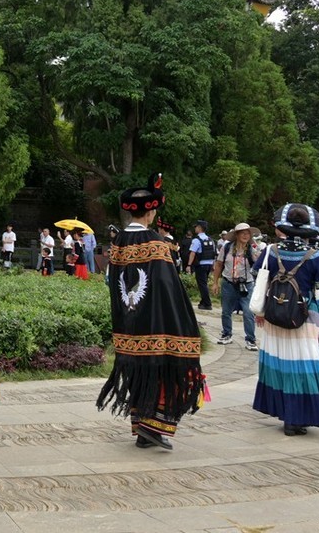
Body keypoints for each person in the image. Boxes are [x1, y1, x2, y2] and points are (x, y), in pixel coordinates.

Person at [98, 173, 204, 451]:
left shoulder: (119, 242)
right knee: (160, 374)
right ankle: (152, 428)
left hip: (127, 321)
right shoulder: (156, 243)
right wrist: (183, 321)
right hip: (157, 323)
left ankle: (143, 428)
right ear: (152, 211)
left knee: (138, 373)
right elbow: (168, 288)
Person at [249, 204, 319, 435]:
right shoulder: (316, 255)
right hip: (303, 317)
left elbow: (256, 275)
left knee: (278, 361)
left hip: (274, 316)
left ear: (284, 228)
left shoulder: (272, 250)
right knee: (302, 364)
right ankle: (296, 418)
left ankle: (285, 413)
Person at [214, 222, 262, 350]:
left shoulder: (252, 248)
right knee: (226, 311)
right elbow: (219, 264)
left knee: (248, 312)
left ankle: (251, 339)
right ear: (236, 235)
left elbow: (259, 266)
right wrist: (215, 282)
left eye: (248, 233)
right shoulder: (227, 247)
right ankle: (226, 334)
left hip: (247, 284)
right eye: (243, 233)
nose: (246, 235)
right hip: (228, 282)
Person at [187, 220, 217, 310]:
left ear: (199, 228)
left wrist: (189, 265)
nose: (195, 228)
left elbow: (192, 253)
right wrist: (213, 265)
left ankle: (207, 303)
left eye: (196, 227)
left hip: (200, 265)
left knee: (202, 285)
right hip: (209, 264)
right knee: (204, 284)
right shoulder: (211, 240)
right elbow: (214, 253)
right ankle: (203, 301)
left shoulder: (197, 240)